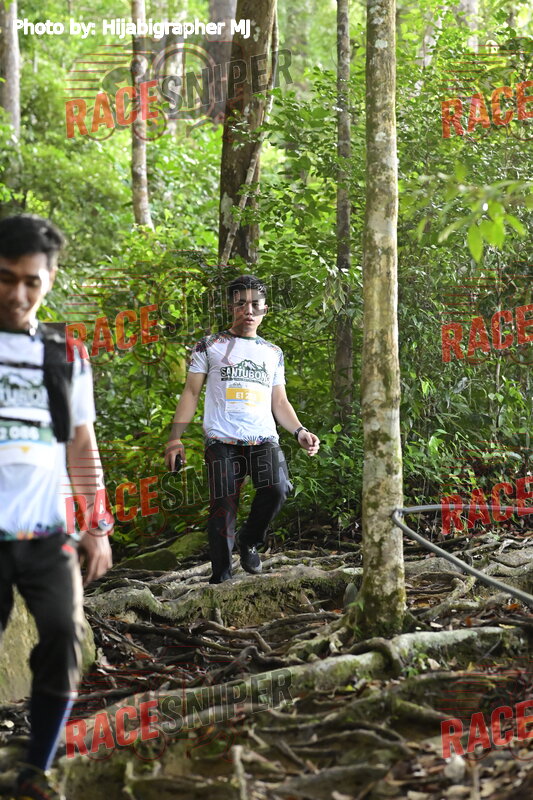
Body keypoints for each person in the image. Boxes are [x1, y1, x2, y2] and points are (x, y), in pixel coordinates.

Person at [0, 215, 113, 800]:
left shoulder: (65, 353)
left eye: (32, 282)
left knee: (65, 638)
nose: (18, 294)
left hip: (46, 533)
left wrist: (97, 524)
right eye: (5, 278)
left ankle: (34, 771)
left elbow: (81, 444)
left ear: (49, 280)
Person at [164, 274, 320, 584]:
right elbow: (191, 393)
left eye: (255, 304)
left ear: (265, 310)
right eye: (241, 304)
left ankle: (249, 540)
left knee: (278, 488)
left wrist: (299, 431)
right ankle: (221, 579)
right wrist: (175, 438)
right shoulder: (210, 345)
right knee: (223, 506)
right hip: (221, 439)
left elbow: (279, 401)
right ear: (230, 307)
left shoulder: (272, 352)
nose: (248, 310)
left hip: (263, 438)